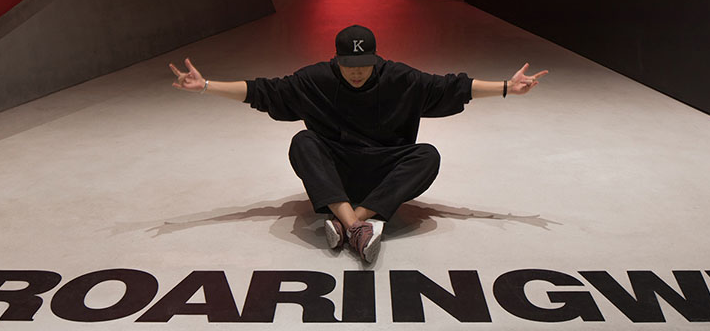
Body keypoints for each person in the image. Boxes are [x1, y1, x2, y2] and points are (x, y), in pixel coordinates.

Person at [169, 24, 547, 262]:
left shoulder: (399, 77)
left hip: (385, 167)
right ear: (336, 62)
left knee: (427, 156)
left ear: (375, 59)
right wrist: (205, 86)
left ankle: (349, 219)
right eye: (349, 67)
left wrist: (506, 89)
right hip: (337, 169)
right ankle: (359, 224)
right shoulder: (315, 79)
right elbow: (263, 92)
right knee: (303, 142)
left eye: (363, 66)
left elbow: (452, 87)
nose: (356, 73)